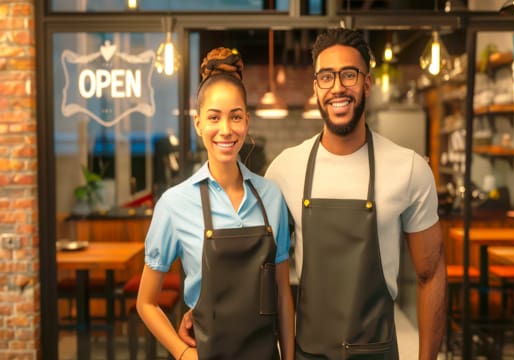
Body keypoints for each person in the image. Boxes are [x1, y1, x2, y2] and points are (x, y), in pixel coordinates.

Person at [179, 29, 447, 360]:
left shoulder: (408, 169)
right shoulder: (285, 170)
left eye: (349, 74)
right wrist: (204, 309)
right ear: (316, 87)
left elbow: (431, 274)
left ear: (367, 83)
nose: (337, 87)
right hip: (306, 354)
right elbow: (254, 262)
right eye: (326, 77)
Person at [136, 46, 295, 360]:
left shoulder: (271, 197)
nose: (226, 129)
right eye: (214, 117)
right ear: (198, 124)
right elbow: (146, 302)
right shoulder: (174, 204)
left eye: (235, 117)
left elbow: (283, 295)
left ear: (246, 122)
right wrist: (182, 353)